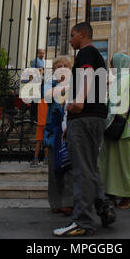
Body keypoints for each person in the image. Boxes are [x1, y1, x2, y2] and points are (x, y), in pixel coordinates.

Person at [53, 22, 115, 237]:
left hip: (85, 117)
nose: (70, 39)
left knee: (81, 170)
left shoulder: (86, 53)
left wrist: (78, 101)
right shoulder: (96, 55)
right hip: (93, 117)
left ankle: (82, 220)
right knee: (89, 168)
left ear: (82, 35)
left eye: (72, 35)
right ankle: (99, 208)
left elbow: (87, 74)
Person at [99, 54, 130, 209]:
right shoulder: (113, 80)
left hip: (127, 127)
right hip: (112, 127)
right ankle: (111, 192)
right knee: (112, 164)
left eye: (112, 64)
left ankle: (128, 195)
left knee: (127, 165)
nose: (111, 67)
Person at [43, 56, 74, 215]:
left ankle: (68, 202)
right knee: (55, 167)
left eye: (65, 66)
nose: (62, 69)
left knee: (69, 167)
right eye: (59, 66)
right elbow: (48, 97)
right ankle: (55, 202)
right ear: (54, 70)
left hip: (71, 129)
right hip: (54, 130)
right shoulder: (50, 84)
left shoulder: (75, 85)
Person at [30, 99, 49, 167]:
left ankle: (35, 159)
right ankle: (46, 159)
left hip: (40, 123)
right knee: (47, 143)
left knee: (38, 142)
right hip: (47, 123)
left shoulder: (39, 100)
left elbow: (33, 110)